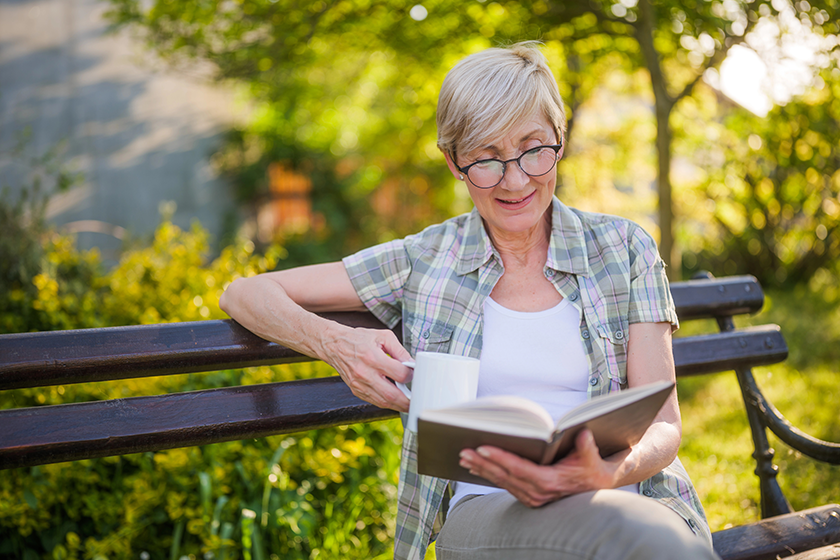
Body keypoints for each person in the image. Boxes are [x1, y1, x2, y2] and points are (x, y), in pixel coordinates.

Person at [219, 42, 720, 560]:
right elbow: (244, 292)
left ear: (560, 137)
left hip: (628, 495)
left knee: (643, 532)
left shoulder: (623, 249)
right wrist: (336, 342)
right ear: (454, 162)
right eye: (486, 158)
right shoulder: (425, 260)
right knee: (644, 541)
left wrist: (602, 473)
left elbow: (663, 424)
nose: (516, 179)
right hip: (490, 514)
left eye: (533, 148)